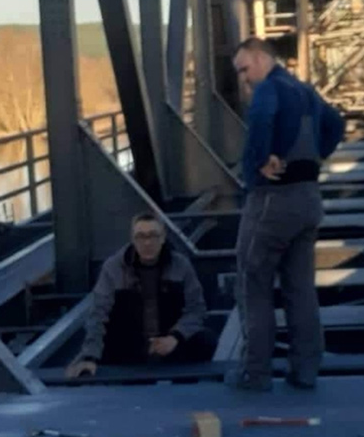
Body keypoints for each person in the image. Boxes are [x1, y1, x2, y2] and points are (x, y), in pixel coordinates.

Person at [225, 37, 346, 391]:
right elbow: (335, 124)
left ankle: (256, 373)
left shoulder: (268, 88)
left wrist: (261, 161)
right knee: (300, 288)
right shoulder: (305, 90)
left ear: (262, 59)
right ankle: (305, 370)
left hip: (272, 201)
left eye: (244, 68)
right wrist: (314, 159)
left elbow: (262, 118)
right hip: (309, 198)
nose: (244, 78)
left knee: (253, 283)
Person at [65, 212, 214, 378]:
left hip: (169, 342)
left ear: (163, 238)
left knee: (205, 340)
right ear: (133, 240)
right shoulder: (113, 268)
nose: (147, 242)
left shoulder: (181, 265)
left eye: (153, 236)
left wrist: (175, 337)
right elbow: (98, 314)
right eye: (141, 236)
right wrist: (90, 356)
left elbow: (197, 309)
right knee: (102, 349)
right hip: (129, 345)